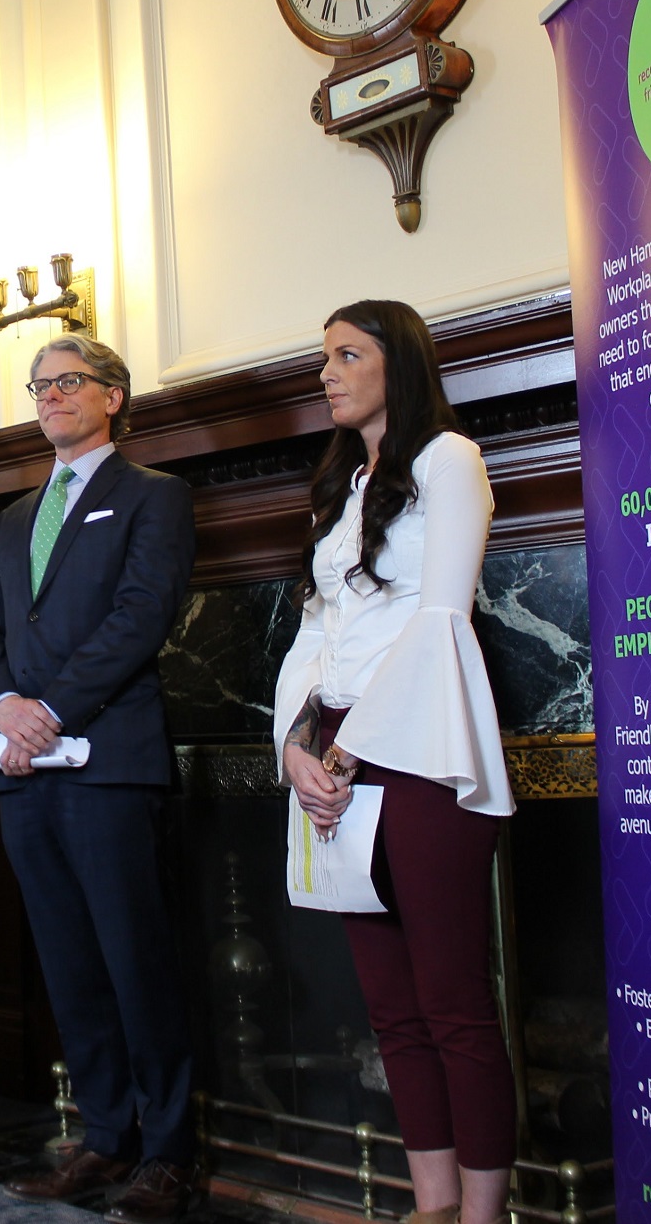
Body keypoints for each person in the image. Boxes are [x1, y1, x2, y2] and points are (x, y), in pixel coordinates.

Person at [272, 301, 514, 1224]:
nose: (326, 373)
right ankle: (432, 1207)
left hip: (417, 751)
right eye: (322, 356)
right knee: (392, 1012)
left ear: (396, 364)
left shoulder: (448, 458)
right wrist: (294, 747)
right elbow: (313, 634)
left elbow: (442, 616)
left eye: (346, 355)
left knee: (454, 1006)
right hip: (332, 758)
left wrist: (347, 747)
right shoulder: (338, 483)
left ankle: (483, 1218)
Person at [0, 335, 200, 1224]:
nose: (50, 396)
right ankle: (105, 1139)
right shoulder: (18, 516)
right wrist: (3, 710)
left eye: (69, 382)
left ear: (113, 396)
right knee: (68, 965)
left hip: (108, 764)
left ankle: (171, 1153)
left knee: (138, 963)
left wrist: (49, 710)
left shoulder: (153, 497)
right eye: (40, 385)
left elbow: (142, 618)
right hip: (23, 770)